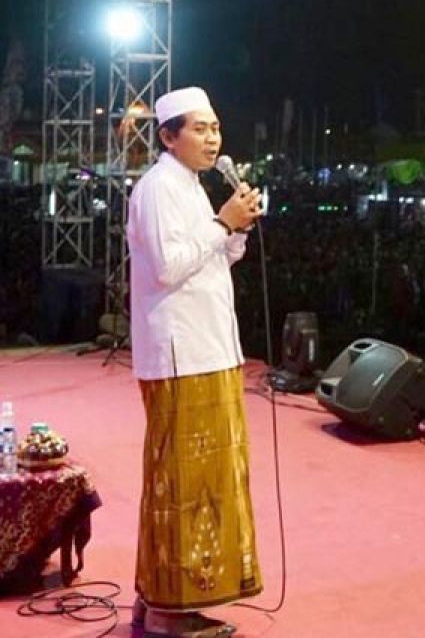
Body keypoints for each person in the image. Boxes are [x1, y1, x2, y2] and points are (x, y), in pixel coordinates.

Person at [126, 87, 264, 638]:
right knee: (182, 486)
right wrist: (222, 224)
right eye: (201, 129)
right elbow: (167, 267)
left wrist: (236, 227)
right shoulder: (159, 187)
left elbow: (212, 260)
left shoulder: (190, 187)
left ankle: (163, 598)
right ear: (168, 136)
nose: (213, 138)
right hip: (182, 355)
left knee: (200, 484)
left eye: (216, 128)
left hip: (208, 350)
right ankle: (167, 611)